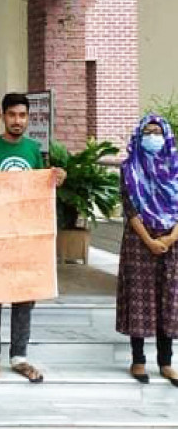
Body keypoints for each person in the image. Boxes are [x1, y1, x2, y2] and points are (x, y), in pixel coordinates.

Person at [0, 93, 65, 383]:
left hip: (27, 233)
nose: (18, 121)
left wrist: (57, 176)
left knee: (25, 293)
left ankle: (19, 356)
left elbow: (40, 186)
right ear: (3, 117)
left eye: (23, 116)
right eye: (12, 115)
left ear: (28, 118)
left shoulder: (34, 150)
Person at [116, 114, 178, 387]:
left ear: (166, 137)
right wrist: (150, 241)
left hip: (172, 242)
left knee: (168, 299)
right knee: (139, 298)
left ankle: (166, 362)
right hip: (138, 241)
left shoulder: (176, 168)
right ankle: (138, 359)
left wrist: (170, 238)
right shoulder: (129, 168)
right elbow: (129, 209)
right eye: (147, 132)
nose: (152, 137)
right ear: (139, 137)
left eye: (157, 132)